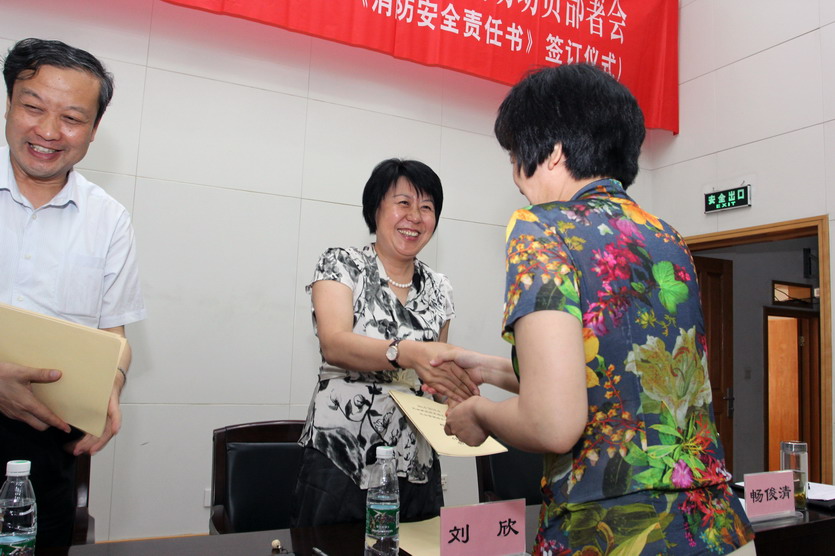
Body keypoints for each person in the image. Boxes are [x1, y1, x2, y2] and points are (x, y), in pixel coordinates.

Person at [435, 64, 756, 555]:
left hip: (617, 534)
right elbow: (614, 383)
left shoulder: (540, 227)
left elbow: (554, 422)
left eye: (516, 154)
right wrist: (489, 369)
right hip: (717, 529)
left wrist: (479, 412)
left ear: (553, 152)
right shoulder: (667, 236)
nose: (516, 176)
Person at [0, 38, 145, 548]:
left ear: (94, 129)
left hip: (46, 447)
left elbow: (114, 335)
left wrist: (112, 384)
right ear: (9, 104)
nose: (47, 131)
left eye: (71, 118)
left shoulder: (109, 220)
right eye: (33, 107)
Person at [291, 158, 477, 527]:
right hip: (341, 454)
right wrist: (404, 352)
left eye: (427, 207)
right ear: (375, 208)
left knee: (417, 547)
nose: (415, 217)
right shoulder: (342, 264)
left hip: (415, 460)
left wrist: (462, 402)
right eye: (403, 203)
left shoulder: (440, 288)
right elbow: (335, 344)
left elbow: (435, 379)